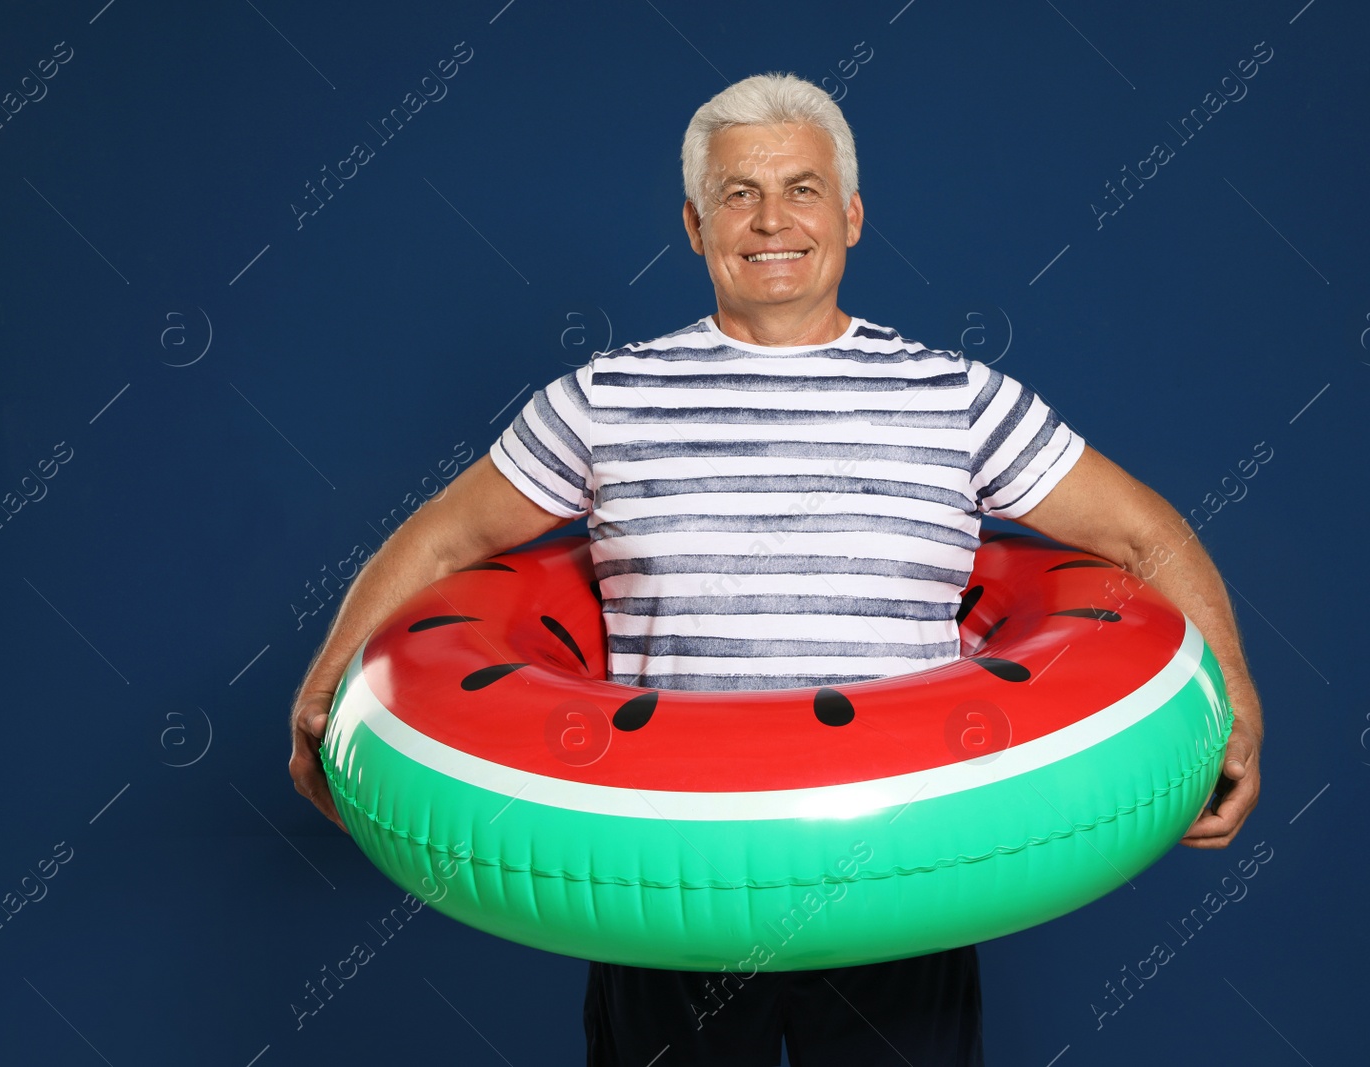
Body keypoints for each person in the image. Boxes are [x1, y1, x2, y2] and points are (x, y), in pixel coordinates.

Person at [288, 72, 1264, 1066]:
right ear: (693, 221)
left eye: (800, 188)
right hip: (665, 876)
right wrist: (327, 690)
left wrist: (1237, 705)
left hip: (902, 868)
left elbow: (1150, 538)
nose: (769, 221)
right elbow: (446, 539)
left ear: (849, 213)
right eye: (737, 194)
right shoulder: (606, 396)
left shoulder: (955, 395)